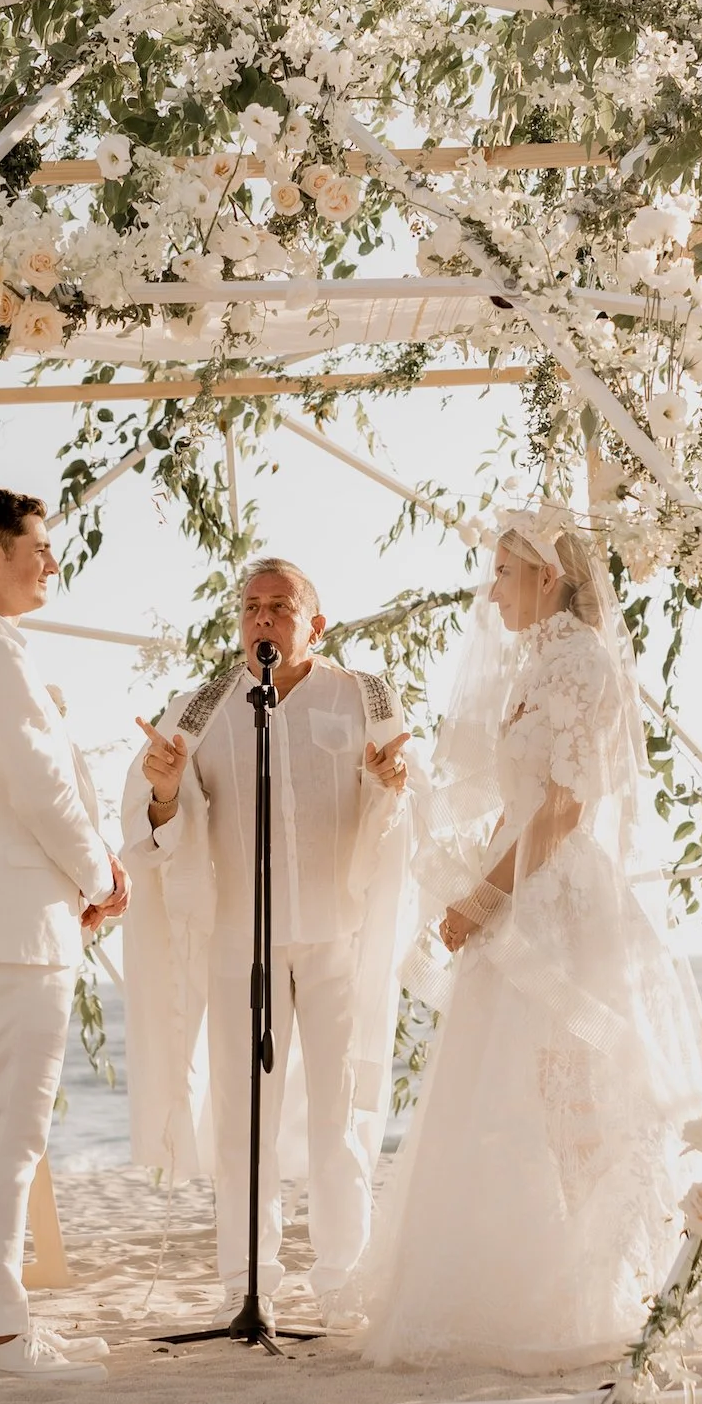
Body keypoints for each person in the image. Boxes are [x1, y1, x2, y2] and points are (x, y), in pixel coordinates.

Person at [357, 507, 702, 1372]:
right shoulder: (544, 661)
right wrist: (475, 890)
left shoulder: (580, 661)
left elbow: (563, 805)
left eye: (504, 574)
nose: (492, 590)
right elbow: (518, 800)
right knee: (515, 1090)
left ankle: (600, 1289)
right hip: (524, 887)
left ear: (546, 577)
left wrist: (485, 897)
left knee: (571, 1096)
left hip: (557, 901)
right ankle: (535, 1282)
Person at [121, 557, 410, 1320]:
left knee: (338, 1112)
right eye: (250, 607)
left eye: (280, 607)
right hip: (238, 944)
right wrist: (159, 787)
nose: (261, 621)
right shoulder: (201, 706)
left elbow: (399, 810)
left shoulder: (366, 697)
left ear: (314, 624)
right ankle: (248, 1282)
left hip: (332, 938)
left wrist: (391, 785)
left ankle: (343, 1278)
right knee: (241, 1114)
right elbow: (160, 828)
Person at [0, 485, 127, 1376]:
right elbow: (36, 782)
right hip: (12, 919)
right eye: (36, 545)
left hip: (5, 914)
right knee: (6, 1134)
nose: (51, 560)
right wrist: (100, 875)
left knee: (0, 1131)